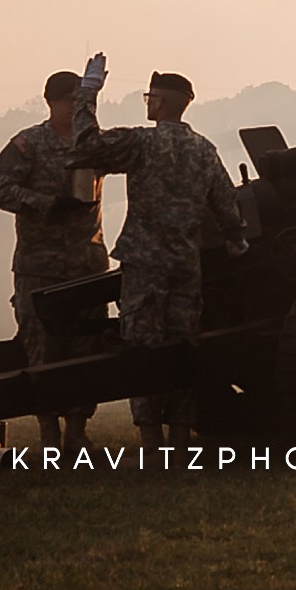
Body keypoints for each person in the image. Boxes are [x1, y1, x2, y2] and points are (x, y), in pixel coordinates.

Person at [69, 53, 246, 451]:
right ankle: (179, 442)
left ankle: (151, 446)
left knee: (143, 352)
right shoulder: (204, 149)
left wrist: (88, 92)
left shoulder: (141, 143)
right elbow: (226, 202)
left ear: (160, 103)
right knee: (183, 350)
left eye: (150, 97)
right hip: (185, 265)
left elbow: (86, 146)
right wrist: (237, 239)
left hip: (145, 266)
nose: (146, 102)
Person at [0, 71, 110, 453]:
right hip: (39, 266)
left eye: (81, 102)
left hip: (86, 263)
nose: (75, 108)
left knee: (86, 349)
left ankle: (77, 430)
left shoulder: (92, 142)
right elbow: (0, 190)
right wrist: (45, 204)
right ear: (51, 102)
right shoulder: (30, 144)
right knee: (42, 348)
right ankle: (48, 434)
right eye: (69, 101)